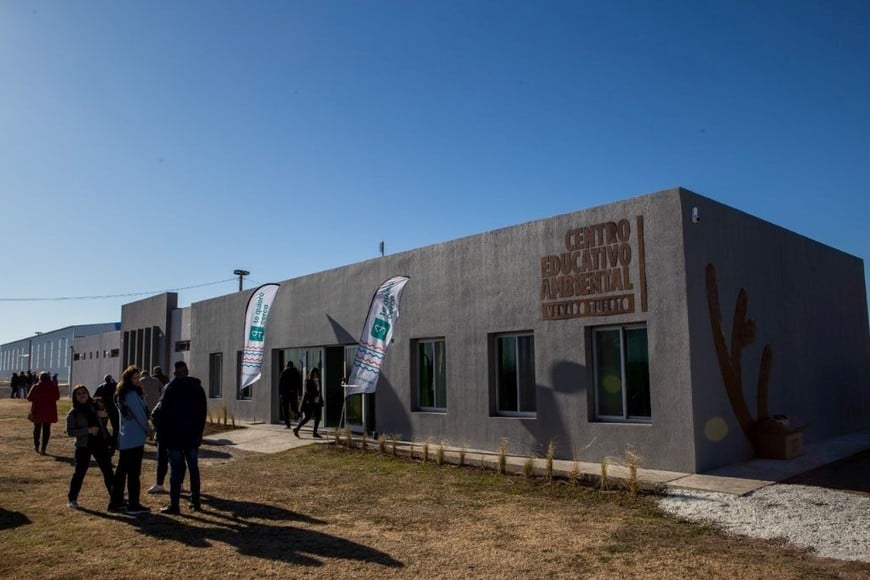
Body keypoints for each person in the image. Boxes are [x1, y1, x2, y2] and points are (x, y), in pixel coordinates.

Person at [154, 360, 207, 514]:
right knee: (193, 469)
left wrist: (162, 434)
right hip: (191, 436)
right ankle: (195, 501)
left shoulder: (170, 388)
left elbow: (161, 413)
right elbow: (202, 413)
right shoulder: (197, 388)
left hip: (174, 437)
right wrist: (198, 433)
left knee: (176, 472)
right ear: (187, 371)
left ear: (174, 373)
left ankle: (174, 504)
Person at [108, 366, 153, 514]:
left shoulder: (121, 394)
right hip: (134, 437)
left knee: (122, 472)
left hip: (126, 436)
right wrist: (148, 429)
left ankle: (116, 502)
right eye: (135, 378)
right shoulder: (132, 394)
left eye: (138, 377)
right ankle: (133, 504)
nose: (137, 380)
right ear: (128, 379)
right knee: (133, 473)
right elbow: (140, 414)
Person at [65, 385, 114, 509]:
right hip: (83, 445)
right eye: (79, 394)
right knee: (79, 473)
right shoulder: (73, 413)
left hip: (100, 443)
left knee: (108, 471)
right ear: (75, 397)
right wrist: (87, 430)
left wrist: (104, 416)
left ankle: (115, 497)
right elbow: (70, 431)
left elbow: (104, 421)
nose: (82, 395)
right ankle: (72, 498)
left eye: (84, 392)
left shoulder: (95, 406)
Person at [27, 371, 60, 454]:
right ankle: (43, 448)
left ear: (39, 378)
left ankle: (36, 446)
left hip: (37, 411)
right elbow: (57, 397)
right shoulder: (53, 386)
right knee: (46, 430)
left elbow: (29, 398)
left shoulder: (36, 387)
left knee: (36, 430)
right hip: (49, 411)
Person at [293, 367, 323, 439]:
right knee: (307, 417)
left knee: (318, 417)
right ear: (312, 373)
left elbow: (320, 392)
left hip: (317, 402)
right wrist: (316, 394)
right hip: (309, 402)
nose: (317, 375)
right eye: (316, 373)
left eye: (318, 373)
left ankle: (315, 432)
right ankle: (297, 429)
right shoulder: (308, 381)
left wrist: (322, 400)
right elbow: (308, 392)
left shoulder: (318, 381)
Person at [94, 374, 119, 453]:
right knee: (115, 426)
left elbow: (95, 397)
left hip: (104, 408)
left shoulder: (101, 386)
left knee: (103, 426)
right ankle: (114, 441)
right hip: (114, 408)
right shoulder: (115, 385)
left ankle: (108, 438)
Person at [278, 361, 303, 428]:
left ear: (287, 365)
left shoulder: (284, 372)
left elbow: (280, 384)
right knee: (294, 407)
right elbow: (299, 384)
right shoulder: (296, 373)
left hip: (285, 394)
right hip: (293, 393)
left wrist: (280, 393)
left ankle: (288, 424)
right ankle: (299, 415)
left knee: (285, 409)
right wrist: (300, 393)